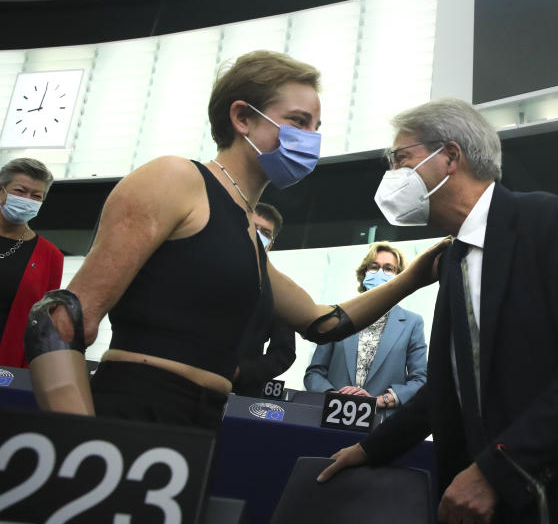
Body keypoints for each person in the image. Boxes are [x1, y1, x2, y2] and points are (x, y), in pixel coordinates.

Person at [42, 50, 446, 429]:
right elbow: (60, 322)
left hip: (205, 422)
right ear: (242, 117)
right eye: (298, 121)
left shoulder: (248, 237)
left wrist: (416, 275)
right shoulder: (176, 179)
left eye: (316, 128)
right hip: (136, 409)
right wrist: (80, 444)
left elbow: (322, 322)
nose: (311, 139)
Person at [318, 99, 558, 524]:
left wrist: (496, 471)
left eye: (402, 160)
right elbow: (450, 387)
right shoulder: (453, 258)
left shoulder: (544, 220)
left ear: (450, 157)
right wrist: (370, 448)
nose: (392, 176)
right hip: (483, 502)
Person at [303, 241, 427, 415]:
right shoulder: (337, 317)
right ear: (364, 273)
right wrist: (334, 397)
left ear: (400, 276)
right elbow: (314, 373)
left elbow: (420, 380)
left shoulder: (412, 323)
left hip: (381, 424)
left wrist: (380, 401)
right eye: (374, 267)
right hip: (330, 416)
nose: (380, 273)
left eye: (389, 269)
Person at [0, 158, 63, 368]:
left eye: (36, 196)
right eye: (20, 191)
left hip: (7, 368)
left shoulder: (50, 256)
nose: (28, 199)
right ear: (1, 192)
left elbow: (43, 324)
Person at [232, 202, 296, 397]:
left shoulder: (278, 290)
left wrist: (241, 372)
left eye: (266, 233)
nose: (257, 234)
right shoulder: (203, 267)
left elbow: (283, 353)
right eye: (253, 227)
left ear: (272, 242)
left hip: (240, 395)